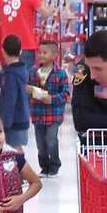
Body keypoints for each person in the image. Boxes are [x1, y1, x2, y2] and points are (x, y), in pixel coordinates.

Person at [0, 34, 32, 152]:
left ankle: (22, 170)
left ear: (3, 51)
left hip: (13, 121)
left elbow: (9, 102)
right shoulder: (19, 70)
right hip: (21, 117)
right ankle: (19, 169)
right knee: (15, 149)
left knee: (14, 149)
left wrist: (2, 125)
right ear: (21, 51)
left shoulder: (10, 75)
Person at [27, 37, 70, 177]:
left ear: (54, 55)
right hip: (38, 114)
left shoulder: (60, 73)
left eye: (44, 53)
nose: (41, 55)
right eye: (39, 52)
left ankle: (54, 165)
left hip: (54, 114)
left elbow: (66, 94)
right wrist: (29, 91)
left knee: (51, 139)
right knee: (40, 143)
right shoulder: (33, 72)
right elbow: (27, 89)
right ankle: (44, 167)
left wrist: (51, 99)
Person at [0, 0, 42, 72]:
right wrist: (53, 7)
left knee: (10, 75)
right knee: (26, 77)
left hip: (7, 44)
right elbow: (44, 12)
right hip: (26, 43)